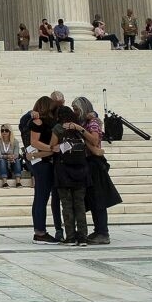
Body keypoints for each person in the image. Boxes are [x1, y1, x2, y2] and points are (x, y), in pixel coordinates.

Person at [72, 96, 120, 245]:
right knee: (92, 199)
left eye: (76, 109)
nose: (75, 111)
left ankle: (103, 232)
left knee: (98, 198)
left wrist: (80, 130)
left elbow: (94, 140)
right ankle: (98, 230)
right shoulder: (83, 121)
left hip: (94, 164)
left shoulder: (92, 123)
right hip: (87, 163)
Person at [51, 105, 91, 246]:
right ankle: (83, 237)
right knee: (80, 205)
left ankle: (71, 237)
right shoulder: (78, 127)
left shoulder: (58, 128)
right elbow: (90, 142)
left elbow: (53, 147)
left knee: (67, 205)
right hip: (80, 170)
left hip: (63, 171)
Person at [27, 95, 60, 244]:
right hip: (42, 163)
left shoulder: (43, 120)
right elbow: (34, 142)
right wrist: (51, 148)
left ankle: (40, 231)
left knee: (41, 197)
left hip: (44, 161)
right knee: (41, 197)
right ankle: (40, 232)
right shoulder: (38, 121)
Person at [0, 123, 23, 187]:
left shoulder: (15, 141)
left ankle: (18, 182)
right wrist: (7, 156)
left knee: (17, 160)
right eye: (2, 130)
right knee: (2, 160)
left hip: (12, 161)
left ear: (10, 131)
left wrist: (11, 157)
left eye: (6, 130)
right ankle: (5, 182)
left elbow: (16, 154)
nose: (4, 132)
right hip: (0, 162)